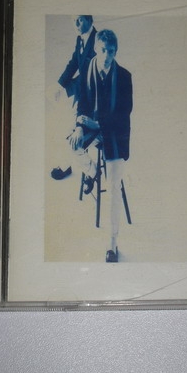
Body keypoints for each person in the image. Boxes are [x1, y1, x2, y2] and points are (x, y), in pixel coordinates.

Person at [69, 29, 133, 262]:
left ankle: (112, 243)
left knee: (113, 187)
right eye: (103, 50)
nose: (106, 55)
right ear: (96, 48)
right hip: (92, 127)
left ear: (116, 51)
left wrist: (98, 123)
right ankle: (93, 172)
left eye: (111, 51)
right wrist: (79, 126)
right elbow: (82, 104)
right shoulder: (87, 68)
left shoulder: (124, 76)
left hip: (115, 132)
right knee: (73, 145)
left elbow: (124, 114)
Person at [50, 15, 97, 180]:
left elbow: (92, 82)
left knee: (68, 126)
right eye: (73, 19)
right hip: (81, 88)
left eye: (80, 19)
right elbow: (75, 62)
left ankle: (92, 172)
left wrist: (79, 121)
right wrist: (60, 85)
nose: (76, 23)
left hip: (91, 98)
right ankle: (67, 164)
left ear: (90, 20)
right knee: (61, 119)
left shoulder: (97, 42)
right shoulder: (80, 38)